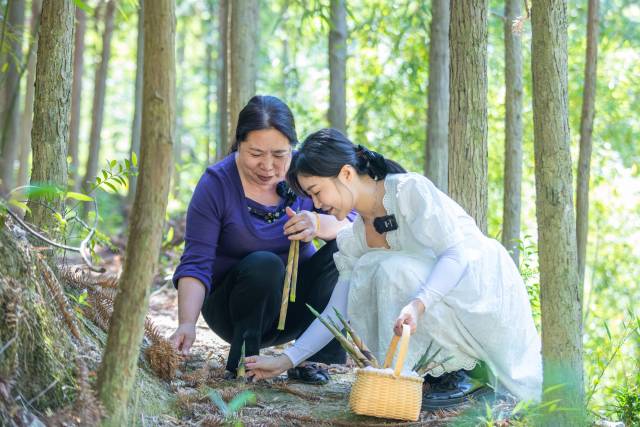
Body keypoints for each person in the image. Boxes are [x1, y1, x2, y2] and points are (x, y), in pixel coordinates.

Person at [246, 129, 542, 408]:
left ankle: (464, 370)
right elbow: (338, 309)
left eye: (317, 191)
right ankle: (428, 374)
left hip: (481, 290)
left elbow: (456, 253)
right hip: (445, 300)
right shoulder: (355, 236)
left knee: (388, 267)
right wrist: (287, 359)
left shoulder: (408, 191)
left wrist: (417, 304)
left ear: (346, 174)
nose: (316, 204)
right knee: (371, 267)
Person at [170, 97, 353, 384]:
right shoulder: (216, 185)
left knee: (344, 247)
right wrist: (186, 324)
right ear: (238, 144)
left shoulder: (303, 176)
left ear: (293, 148)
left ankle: (309, 357)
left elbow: (351, 224)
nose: (268, 166)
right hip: (233, 308)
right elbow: (196, 263)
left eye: (280, 154)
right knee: (264, 264)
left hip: (293, 305)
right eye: (256, 153)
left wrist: (317, 223)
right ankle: (244, 362)